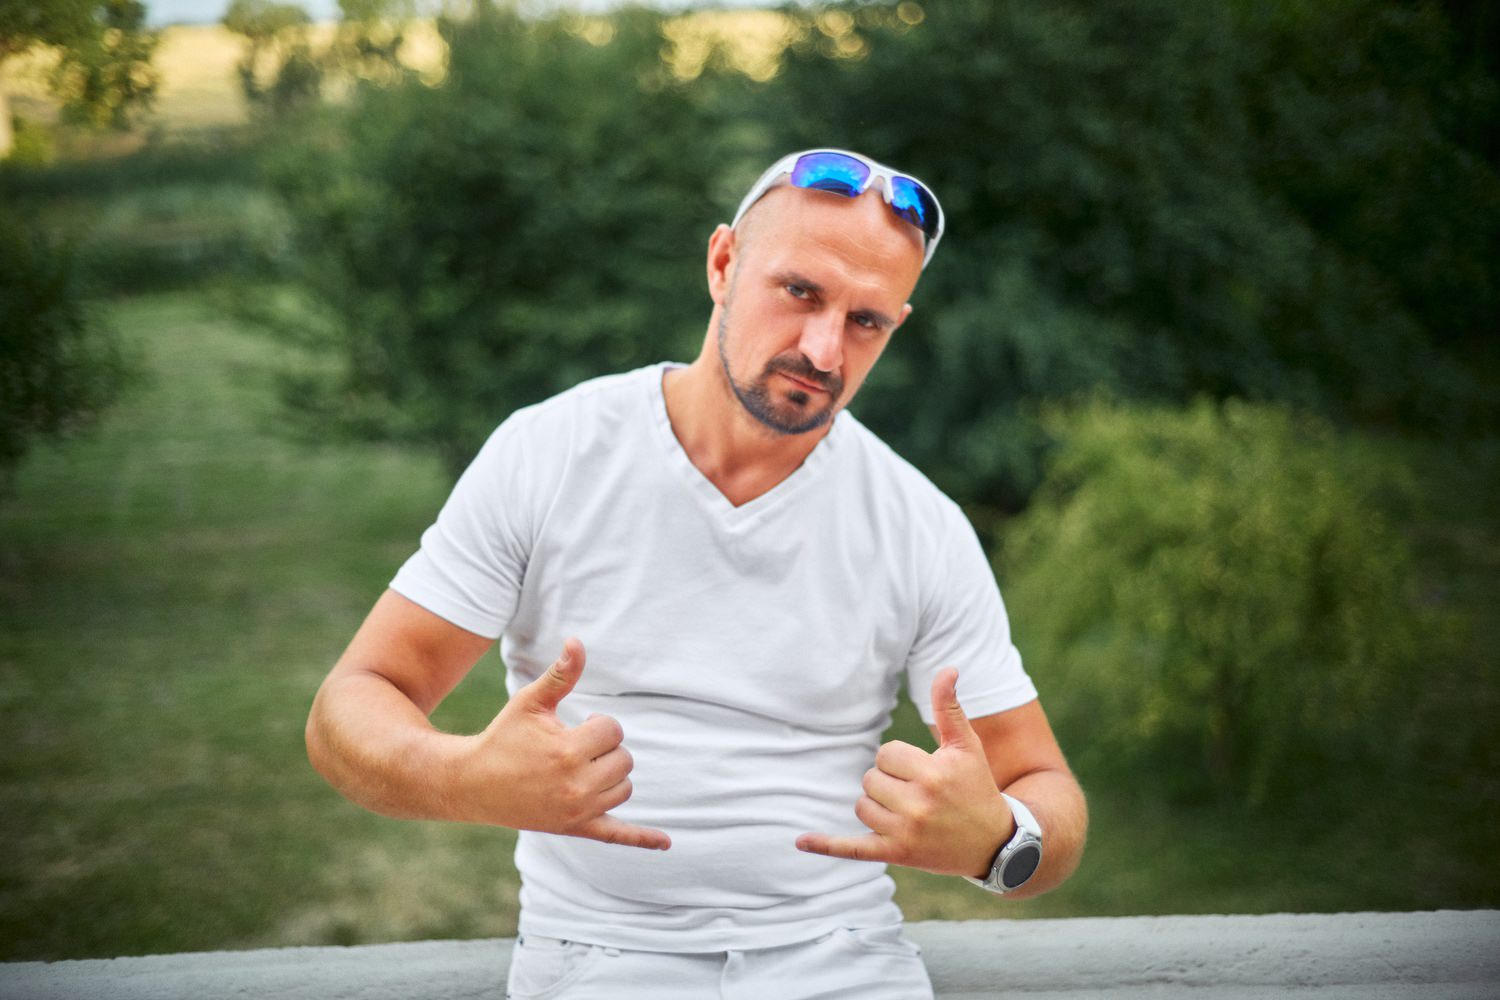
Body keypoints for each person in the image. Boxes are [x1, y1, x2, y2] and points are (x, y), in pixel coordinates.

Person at [305, 148, 1088, 999]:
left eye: (866, 321)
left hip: (844, 959)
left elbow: (1047, 791)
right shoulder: (552, 452)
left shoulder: (918, 523)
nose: (824, 350)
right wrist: (465, 781)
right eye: (800, 291)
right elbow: (353, 702)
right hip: (596, 958)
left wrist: (999, 843)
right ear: (722, 264)